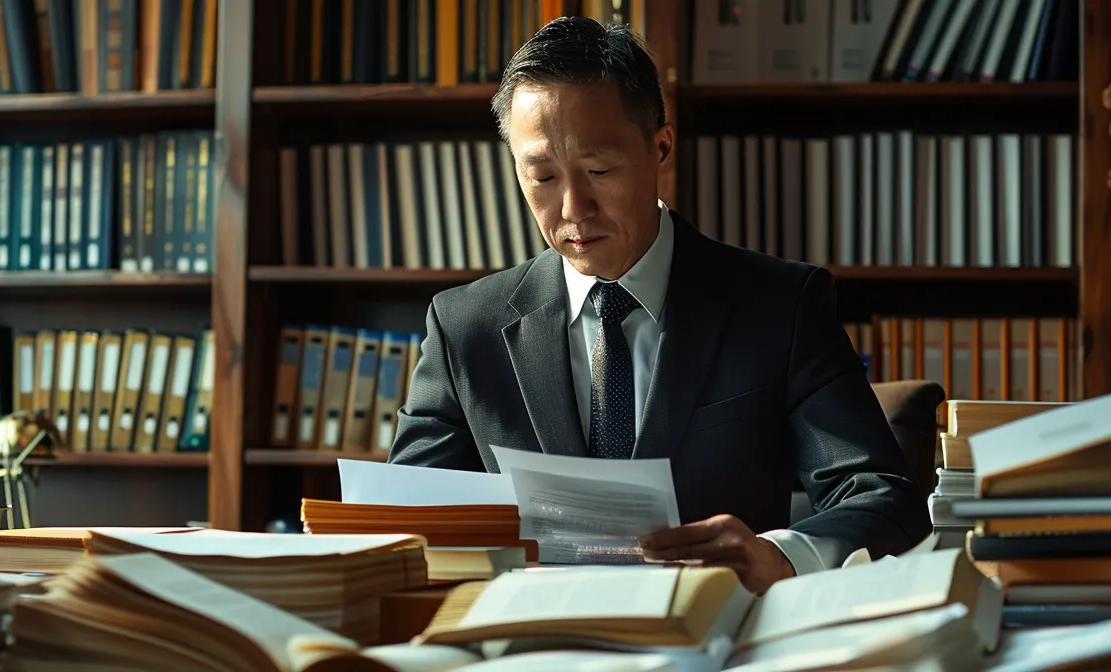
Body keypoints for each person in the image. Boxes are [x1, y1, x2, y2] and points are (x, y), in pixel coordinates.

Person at [386, 16, 930, 594]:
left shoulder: (779, 306)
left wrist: (779, 556)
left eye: (599, 170)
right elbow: (404, 522)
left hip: (718, 632)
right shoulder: (465, 326)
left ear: (660, 148)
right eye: (542, 176)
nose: (573, 207)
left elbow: (882, 498)